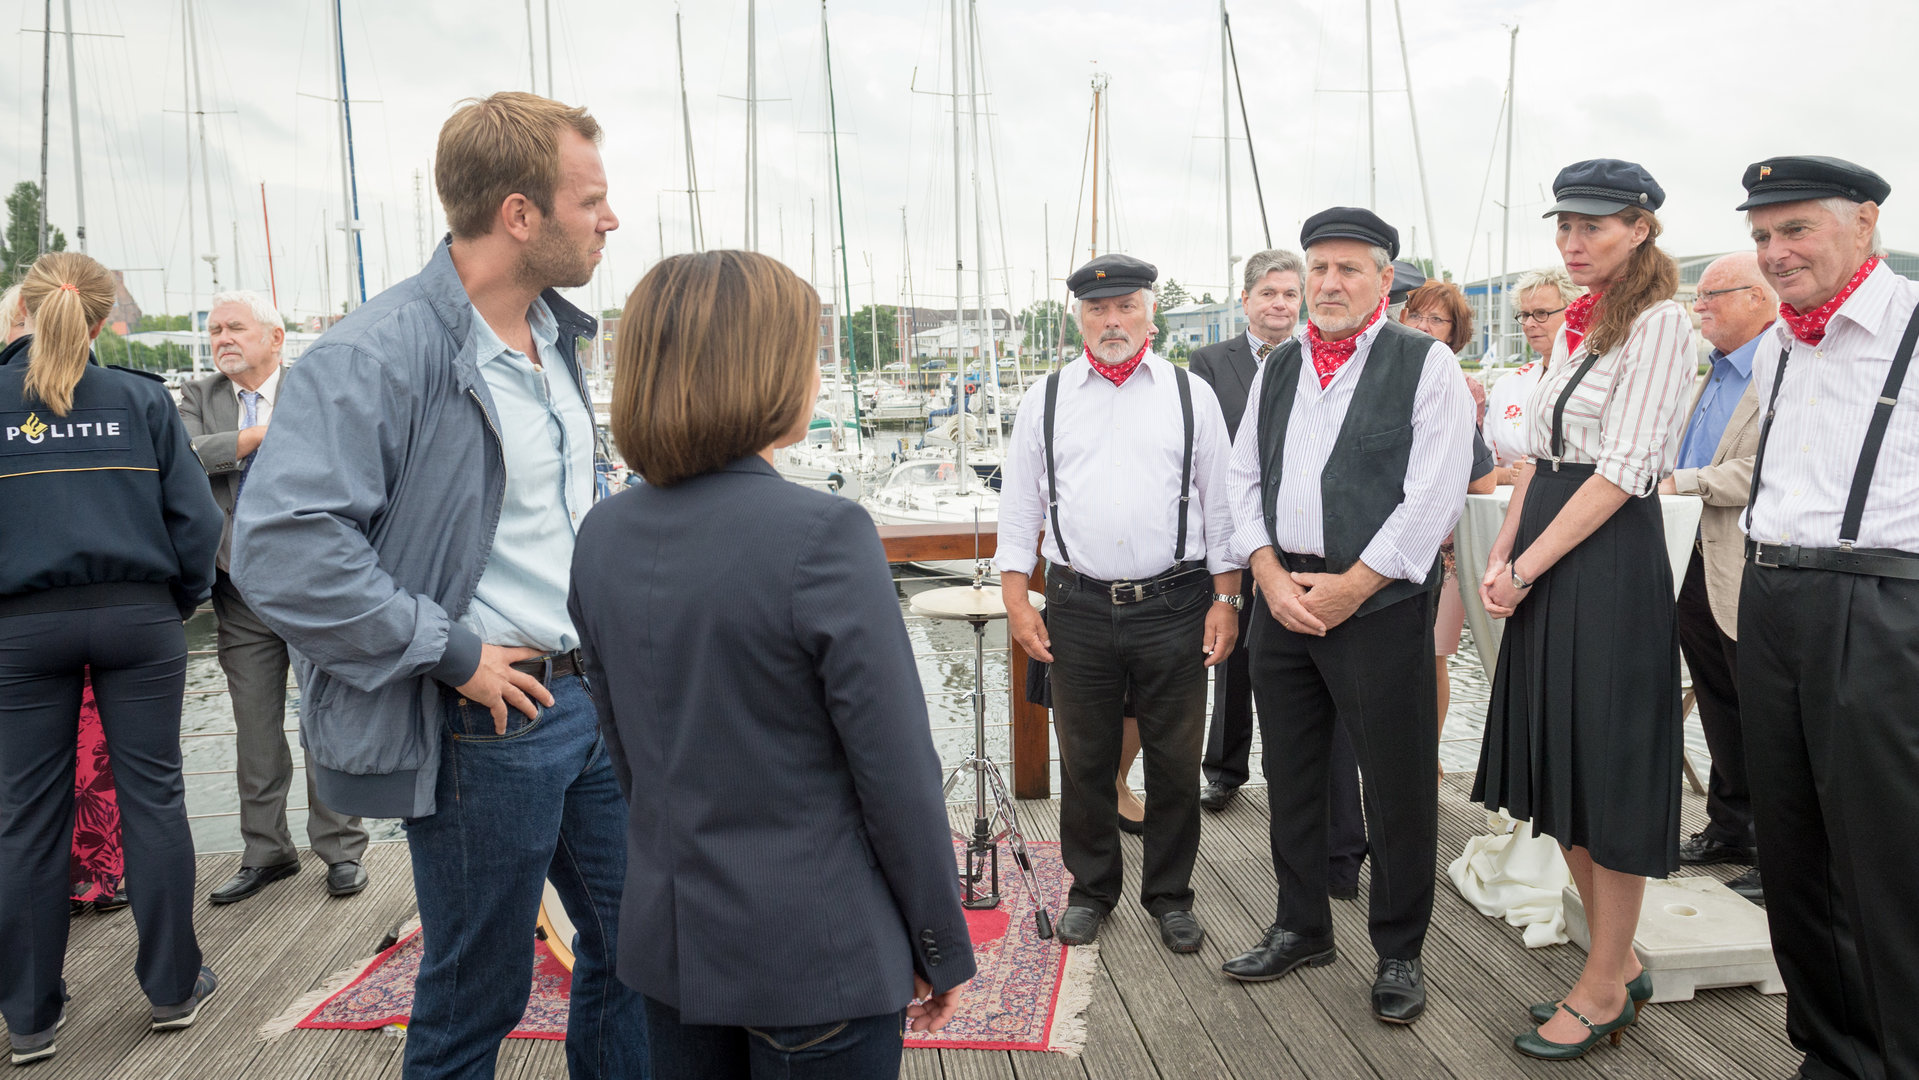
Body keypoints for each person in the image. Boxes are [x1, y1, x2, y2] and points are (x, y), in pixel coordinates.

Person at [229, 92, 648, 1079]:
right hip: (480, 722)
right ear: (517, 214)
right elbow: (281, 550)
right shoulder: (369, 356)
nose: (610, 219)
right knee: (476, 997)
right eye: (590, 199)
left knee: (641, 952)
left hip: (588, 700)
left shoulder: (555, 341)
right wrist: (450, 651)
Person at [569, 250, 975, 1078]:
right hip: (812, 951)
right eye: (807, 354)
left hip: (673, 941)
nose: (817, 375)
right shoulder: (822, 534)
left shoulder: (601, 535)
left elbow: (628, 752)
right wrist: (938, 940)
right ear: (762, 370)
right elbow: (894, 770)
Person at [1221, 207, 1473, 1025]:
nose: (1327, 283)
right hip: (1282, 596)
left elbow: (1432, 492)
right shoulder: (1281, 366)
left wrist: (1353, 585)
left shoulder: (1424, 364)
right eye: (1317, 267)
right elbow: (1242, 481)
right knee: (1290, 775)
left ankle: (1398, 950)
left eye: (1347, 270)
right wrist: (1264, 571)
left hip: (1377, 604)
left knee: (1394, 784)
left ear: (1382, 281)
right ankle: (1302, 925)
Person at [1474, 160, 1697, 1061]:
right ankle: (1618, 959)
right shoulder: (1583, 321)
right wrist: (1502, 548)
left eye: (1595, 225)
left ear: (1639, 228)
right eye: (1565, 223)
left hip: (1604, 560)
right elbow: (1541, 457)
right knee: (1555, 766)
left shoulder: (1659, 324)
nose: (1573, 240)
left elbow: (1622, 470)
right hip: (1552, 543)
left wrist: (1523, 564)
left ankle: (1603, 984)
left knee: (1603, 772)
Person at [0, 252, 224, 1066]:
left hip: (20, 628)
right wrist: (178, 598)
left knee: (27, 815)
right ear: (101, 323)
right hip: (139, 619)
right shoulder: (140, 400)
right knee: (153, 799)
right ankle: (171, 988)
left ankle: (29, 1017)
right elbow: (196, 520)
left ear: (22, 312)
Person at [998, 253, 1242, 954]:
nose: (1112, 321)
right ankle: (1090, 889)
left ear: (1149, 313)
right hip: (1074, 602)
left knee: (1172, 762)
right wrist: (1019, 601)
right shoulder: (1044, 399)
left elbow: (1220, 506)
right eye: (1097, 309)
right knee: (1083, 758)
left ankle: (1169, 896)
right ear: (1078, 316)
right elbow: (1019, 509)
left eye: (1125, 307)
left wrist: (1226, 598)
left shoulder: (1190, 394)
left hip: (1175, 600)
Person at [1737, 155, 1919, 1080]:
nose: (1774, 252)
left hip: (1881, 599)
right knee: (1789, 845)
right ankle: (1827, 1052)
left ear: (1866, 222)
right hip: (1771, 596)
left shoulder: (1913, 325)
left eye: (1795, 228)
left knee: (1882, 854)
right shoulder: (1778, 341)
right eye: (1762, 235)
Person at [178, 290, 370, 905]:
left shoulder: (316, 384)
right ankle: (267, 853)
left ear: (276, 337)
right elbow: (182, 459)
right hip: (238, 595)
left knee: (326, 721)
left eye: (234, 328)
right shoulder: (198, 397)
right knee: (254, 730)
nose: (222, 339)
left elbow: (346, 461)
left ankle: (341, 849)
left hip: (315, 589)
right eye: (214, 332)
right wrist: (260, 435)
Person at [1188, 248, 1369, 896]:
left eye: (1289, 294)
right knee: (1235, 664)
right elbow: (1213, 458)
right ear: (1245, 300)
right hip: (1243, 541)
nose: (1279, 304)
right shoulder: (1211, 364)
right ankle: (1225, 769)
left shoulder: (1327, 367)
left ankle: (1341, 848)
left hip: (1321, 556)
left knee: (1329, 699)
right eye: (1268, 293)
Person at [1656, 253, 1772, 906]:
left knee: (1763, 713)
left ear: (1757, 297)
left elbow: (1770, 466)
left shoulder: (1783, 371)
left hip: (1744, 561)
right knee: (1717, 699)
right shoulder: (1713, 373)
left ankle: (1778, 853)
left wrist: (1685, 482)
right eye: (1695, 299)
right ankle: (1731, 829)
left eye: (1709, 296)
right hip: (1690, 556)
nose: (1697, 308)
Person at [1399, 281, 1498, 757]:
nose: (1422, 326)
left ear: (1455, 334)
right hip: (1378, 540)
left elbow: (1477, 477)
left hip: (1436, 545)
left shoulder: (1460, 386)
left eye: (1436, 320)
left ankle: (1427, 761)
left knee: (1430, 657)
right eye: (1416, 314)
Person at [1485, 268, 1582, 478]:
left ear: (1574, 313)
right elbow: (1484, 463)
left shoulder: (1596, 380)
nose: (1529, 324)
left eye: (1541, 313)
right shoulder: (1506, 385)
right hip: (1504, 504)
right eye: (1525, 315)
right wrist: (1509, 475)